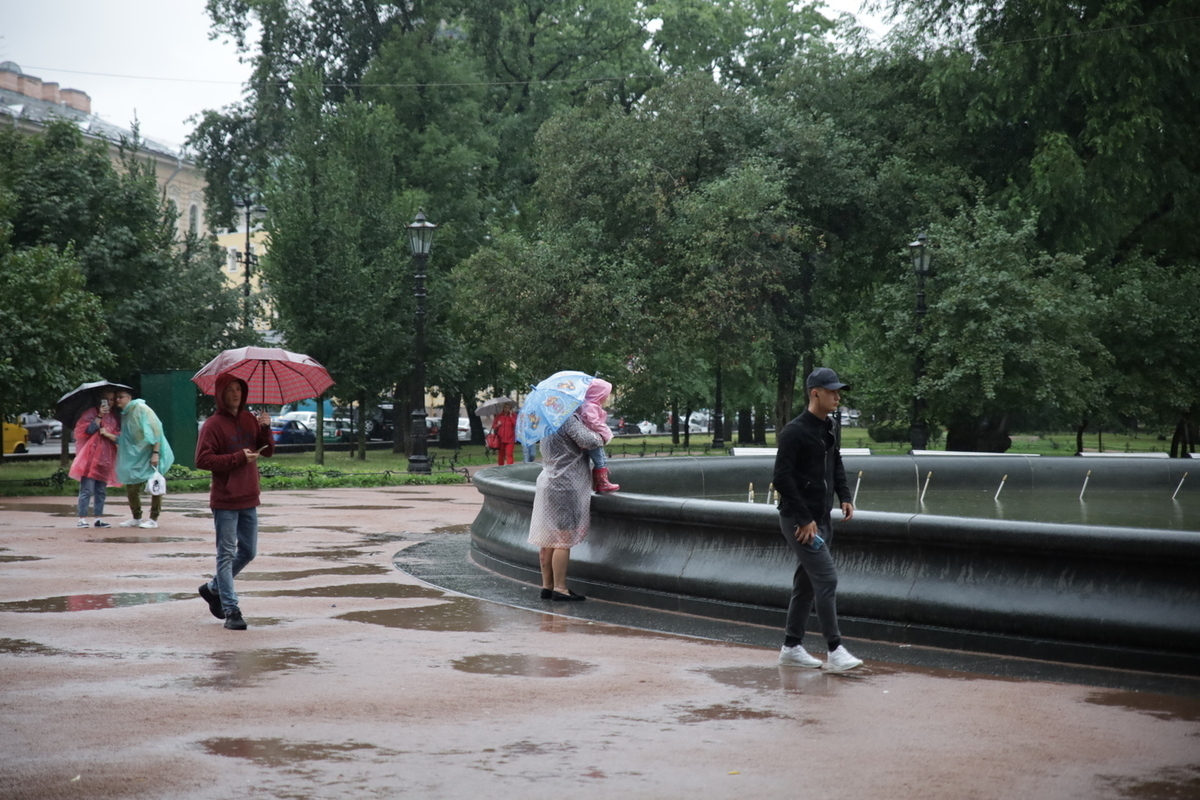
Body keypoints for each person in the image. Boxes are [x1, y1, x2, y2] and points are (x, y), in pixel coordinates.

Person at [771, 367, 863, 672]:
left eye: (838, 391)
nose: (837, 397)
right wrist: (804, 518)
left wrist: (845, 495)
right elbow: (781, 479)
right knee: (826, 578)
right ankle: (835, 650)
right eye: (832, 391)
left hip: (821, 517)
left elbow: (835, 460)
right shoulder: (794, 431)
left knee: (807, 584)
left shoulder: (830, 426)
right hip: (800, 521)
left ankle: (791, 646)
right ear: (815, 393)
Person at [194, 373, 275, 631]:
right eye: (230, 389)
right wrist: (236, 458)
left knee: (249, 551)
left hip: (249, 495)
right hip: (226, 499)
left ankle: (213, 588)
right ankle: (231, 610)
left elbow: (268, 451)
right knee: (226, 554)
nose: (236, 394)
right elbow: (202, 460)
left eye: (239, 388)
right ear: (220, 394)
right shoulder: (212, 425)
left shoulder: (250, 419)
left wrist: (265, 428)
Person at [528, 379, 609, 601]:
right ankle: (561, 589)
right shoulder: (566, 419)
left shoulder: (547, 422)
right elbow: (590, 440)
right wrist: (599, 431)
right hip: (565, 484)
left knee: (548, 538)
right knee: (563, 539)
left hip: (548, 480)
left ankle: (547, 586)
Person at [114, 388, 174, 529]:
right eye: (116, 397)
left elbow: (156, 430)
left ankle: (153, 518)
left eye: (121, 397)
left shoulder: (141, 408)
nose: (117, 400)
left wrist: (155, 453)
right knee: (131, 485)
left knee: (155, 485)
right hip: (135, 455)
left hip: (149, 452)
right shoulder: (125, 414)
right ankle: (136, 517)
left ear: (129, 398)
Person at [69, 388, 121, 528]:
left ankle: (98, 518)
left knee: (101, 490)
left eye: (112, 400)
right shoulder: (91, 413)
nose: (109, 403)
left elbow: (118, 437)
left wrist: (109, 434)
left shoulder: (114, 417)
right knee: (87, 489)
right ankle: (82, 518)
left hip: (106, 458)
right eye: (106, 399)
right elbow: (86, 431)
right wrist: (98, 417)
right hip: (90, 458)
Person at [576, 378, 620, 492]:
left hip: (590, 437)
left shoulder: (589, 404)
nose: (606, 397)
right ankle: (602, 483)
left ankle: (600, 483)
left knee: (601, 458)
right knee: (600, 459)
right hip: (592, 439)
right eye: (605, 394)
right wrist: (604, 431)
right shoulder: (590, 406)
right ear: (598, 393)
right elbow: (592, 421)